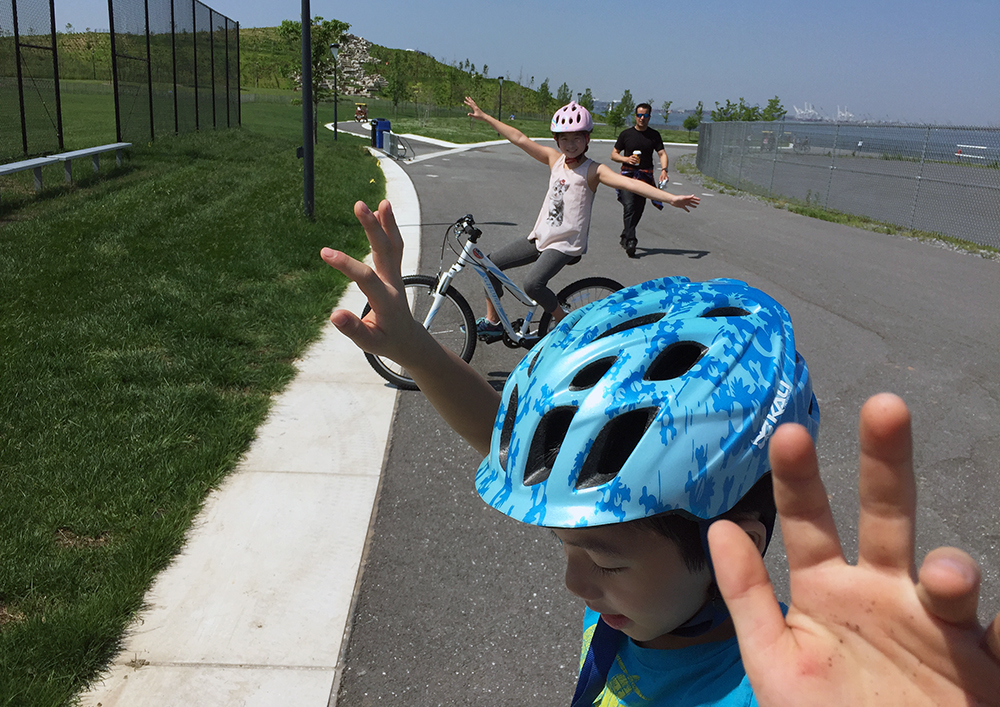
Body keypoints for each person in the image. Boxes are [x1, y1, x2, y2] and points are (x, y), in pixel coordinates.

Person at [321, 199, 1000, 706]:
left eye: (603, 558)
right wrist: (416, 349)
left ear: (732, 542)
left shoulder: (778, 684)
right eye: (570, 548)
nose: (576, 584)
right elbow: (508, 442)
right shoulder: (639, 602)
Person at [463, 97, 698, 343]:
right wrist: (486, 117)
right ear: (556, 140)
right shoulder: (555, 160)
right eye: (564, 138)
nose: (570, 144)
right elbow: (520, 139)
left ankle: (563, 319)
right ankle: (493, 323)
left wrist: (670, 198)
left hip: (565, 244)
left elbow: (631, 183)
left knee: (532, 283)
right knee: (488, 265)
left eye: (577, 138)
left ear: (587, 139)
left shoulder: (593, 170)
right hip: (540, 236)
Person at [611, 103, 671, 258]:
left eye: (645, 115)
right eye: (639, 115)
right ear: (635, 116)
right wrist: (626, 158)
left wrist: (664, 170)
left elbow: (662, 154)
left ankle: (625, 234)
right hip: (627, 175)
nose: (642, 118)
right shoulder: (626, 134)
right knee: (629, 206)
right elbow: (614, 154)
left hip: (645, 176)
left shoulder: (654, 135)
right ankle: (631, 240)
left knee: (638, 208)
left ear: (649, 117)